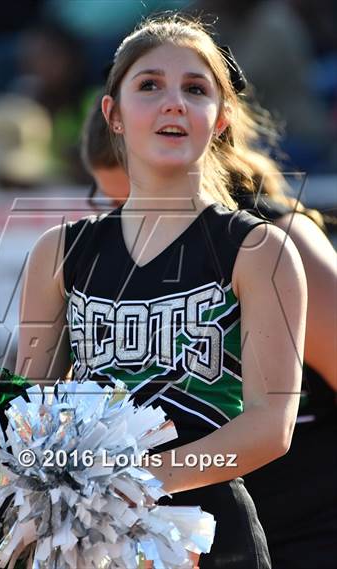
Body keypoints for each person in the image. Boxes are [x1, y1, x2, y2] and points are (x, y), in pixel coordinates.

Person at [17, 13, 308, 568]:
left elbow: (272, 426)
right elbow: (28, 412)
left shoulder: (259, 250)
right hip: (86, 544)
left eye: (195, 90)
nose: (174, 102)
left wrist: (141, 482)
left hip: (208, 538)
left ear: (220, 119)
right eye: (149, 85)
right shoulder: (58, 252)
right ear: (113, 115)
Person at [80, 71, 337, 569]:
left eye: (125, 196)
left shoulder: (280, 240)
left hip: (310, 528)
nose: (121, 217)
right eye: (111, 203)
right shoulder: (103, 263)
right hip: (197, 534)